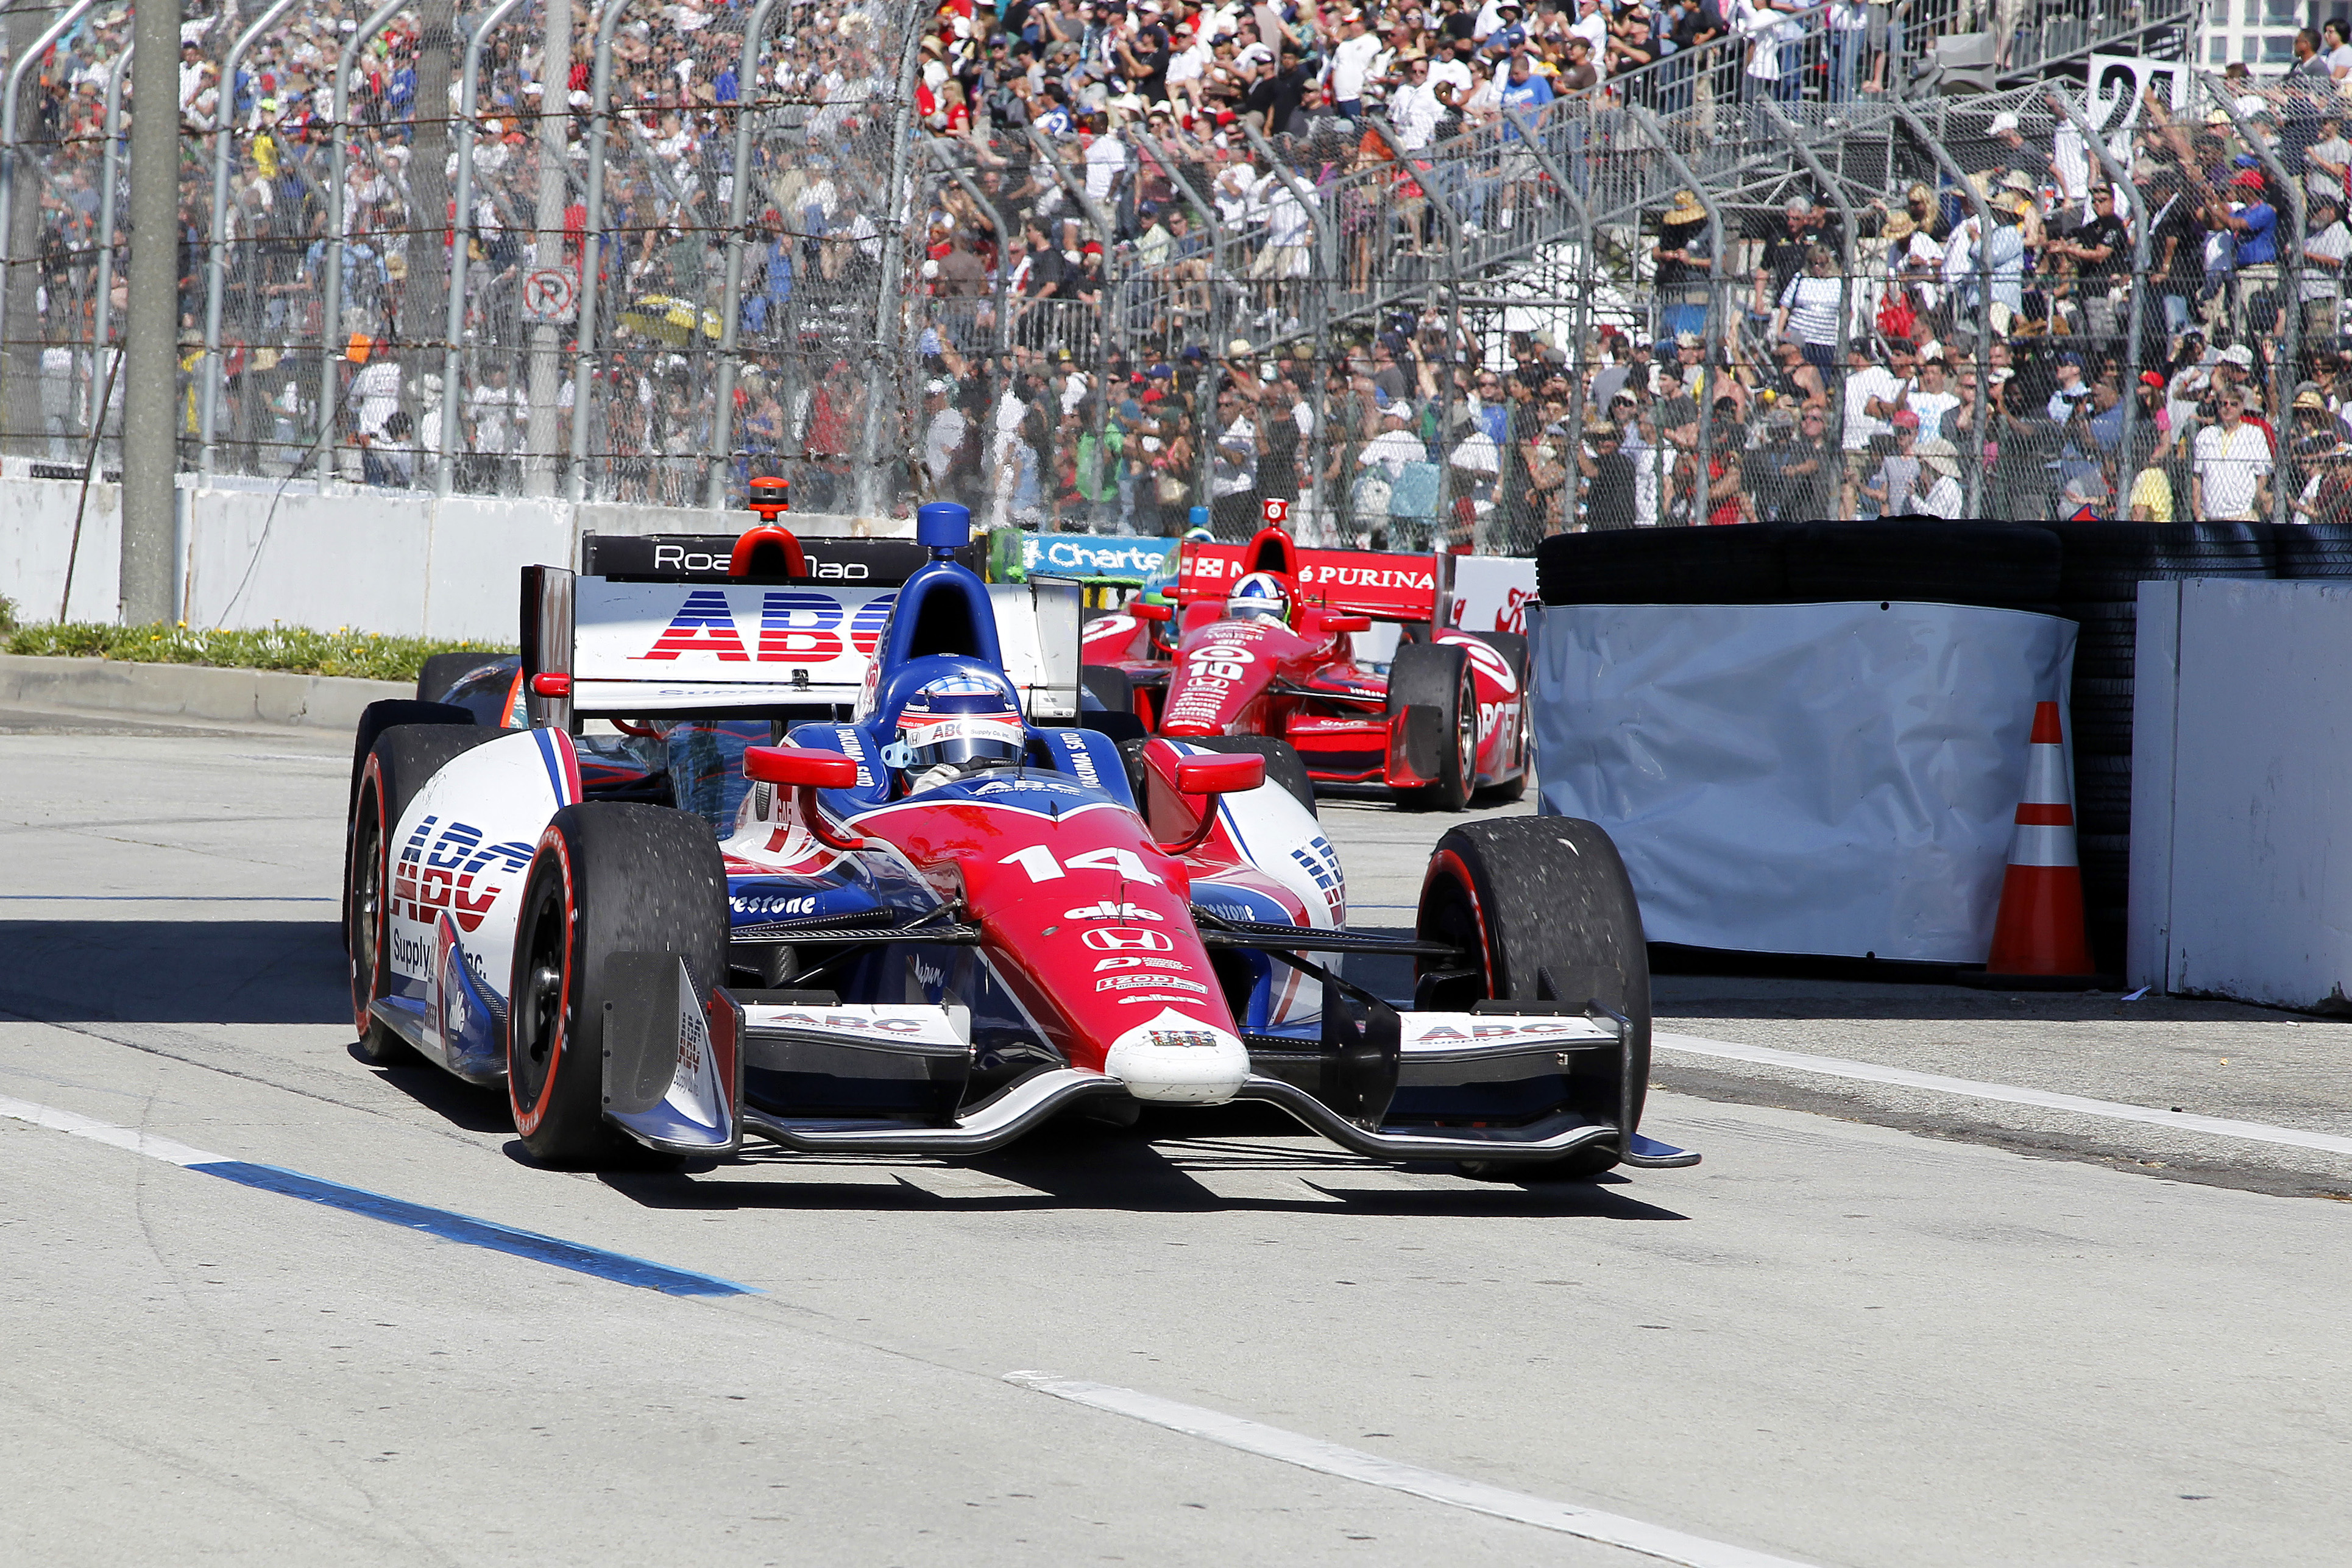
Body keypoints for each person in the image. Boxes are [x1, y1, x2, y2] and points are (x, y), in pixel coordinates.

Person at [2191, 389, 2272, 521]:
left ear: (2242, 407)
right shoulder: (2206, 435)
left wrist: (2255, 501)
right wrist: (2198, 512)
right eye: (2224, 404)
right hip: (2211, 516)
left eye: (2234, 404)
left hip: (2242, 514)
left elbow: (2263, 474)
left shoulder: (2254, 434)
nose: (2228, 408)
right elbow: (2197, 477)